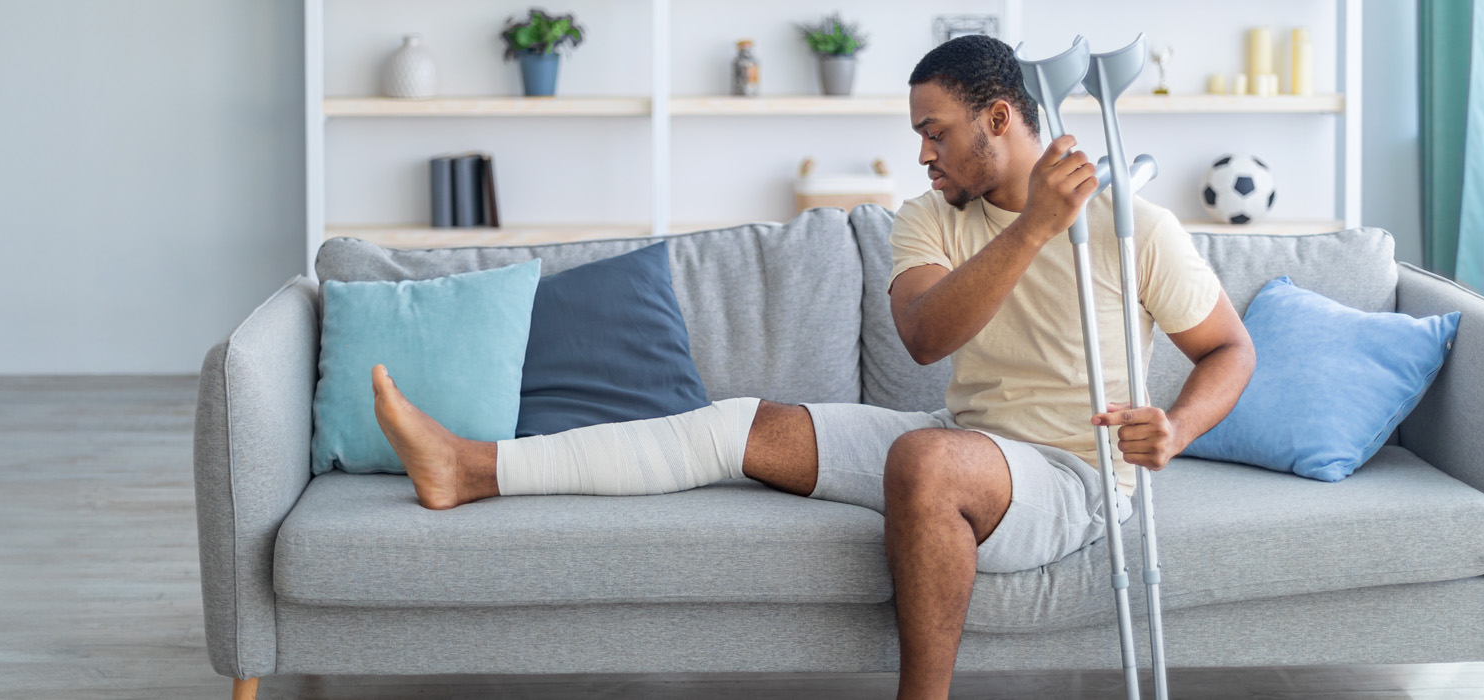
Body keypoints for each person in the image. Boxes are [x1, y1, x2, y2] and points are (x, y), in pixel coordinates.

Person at [370, 34, 1254, 700]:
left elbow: (1227, 349)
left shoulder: (1134, 227)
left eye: (935, 131)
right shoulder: (929, 219)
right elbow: (923, 334)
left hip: (1072, 475)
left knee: (926, 462)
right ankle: (471, 468)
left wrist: (1176, 425)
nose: (922, 153)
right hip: (972, 441)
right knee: (741, 425)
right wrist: (1030, 230)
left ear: (997, 120)